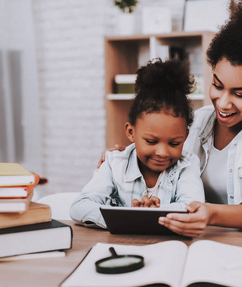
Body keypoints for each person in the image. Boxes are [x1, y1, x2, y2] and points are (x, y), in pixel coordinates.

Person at [100, 0, 242, 237]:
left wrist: (212, 213)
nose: (223, 103)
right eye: (217, 85)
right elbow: (166, 168)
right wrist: (124, 159)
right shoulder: (199, 120)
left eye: (240, 94)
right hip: (195, 241)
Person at [70, 59, 205, 228]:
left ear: (185, 136)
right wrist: (129, 218)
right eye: (151, 141)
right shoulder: (114, 163)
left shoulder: (187, 165)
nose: (162, 152)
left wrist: (153, 214)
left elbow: (193, 208)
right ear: (131, 132)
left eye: (174, 143)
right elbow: (80, 207)